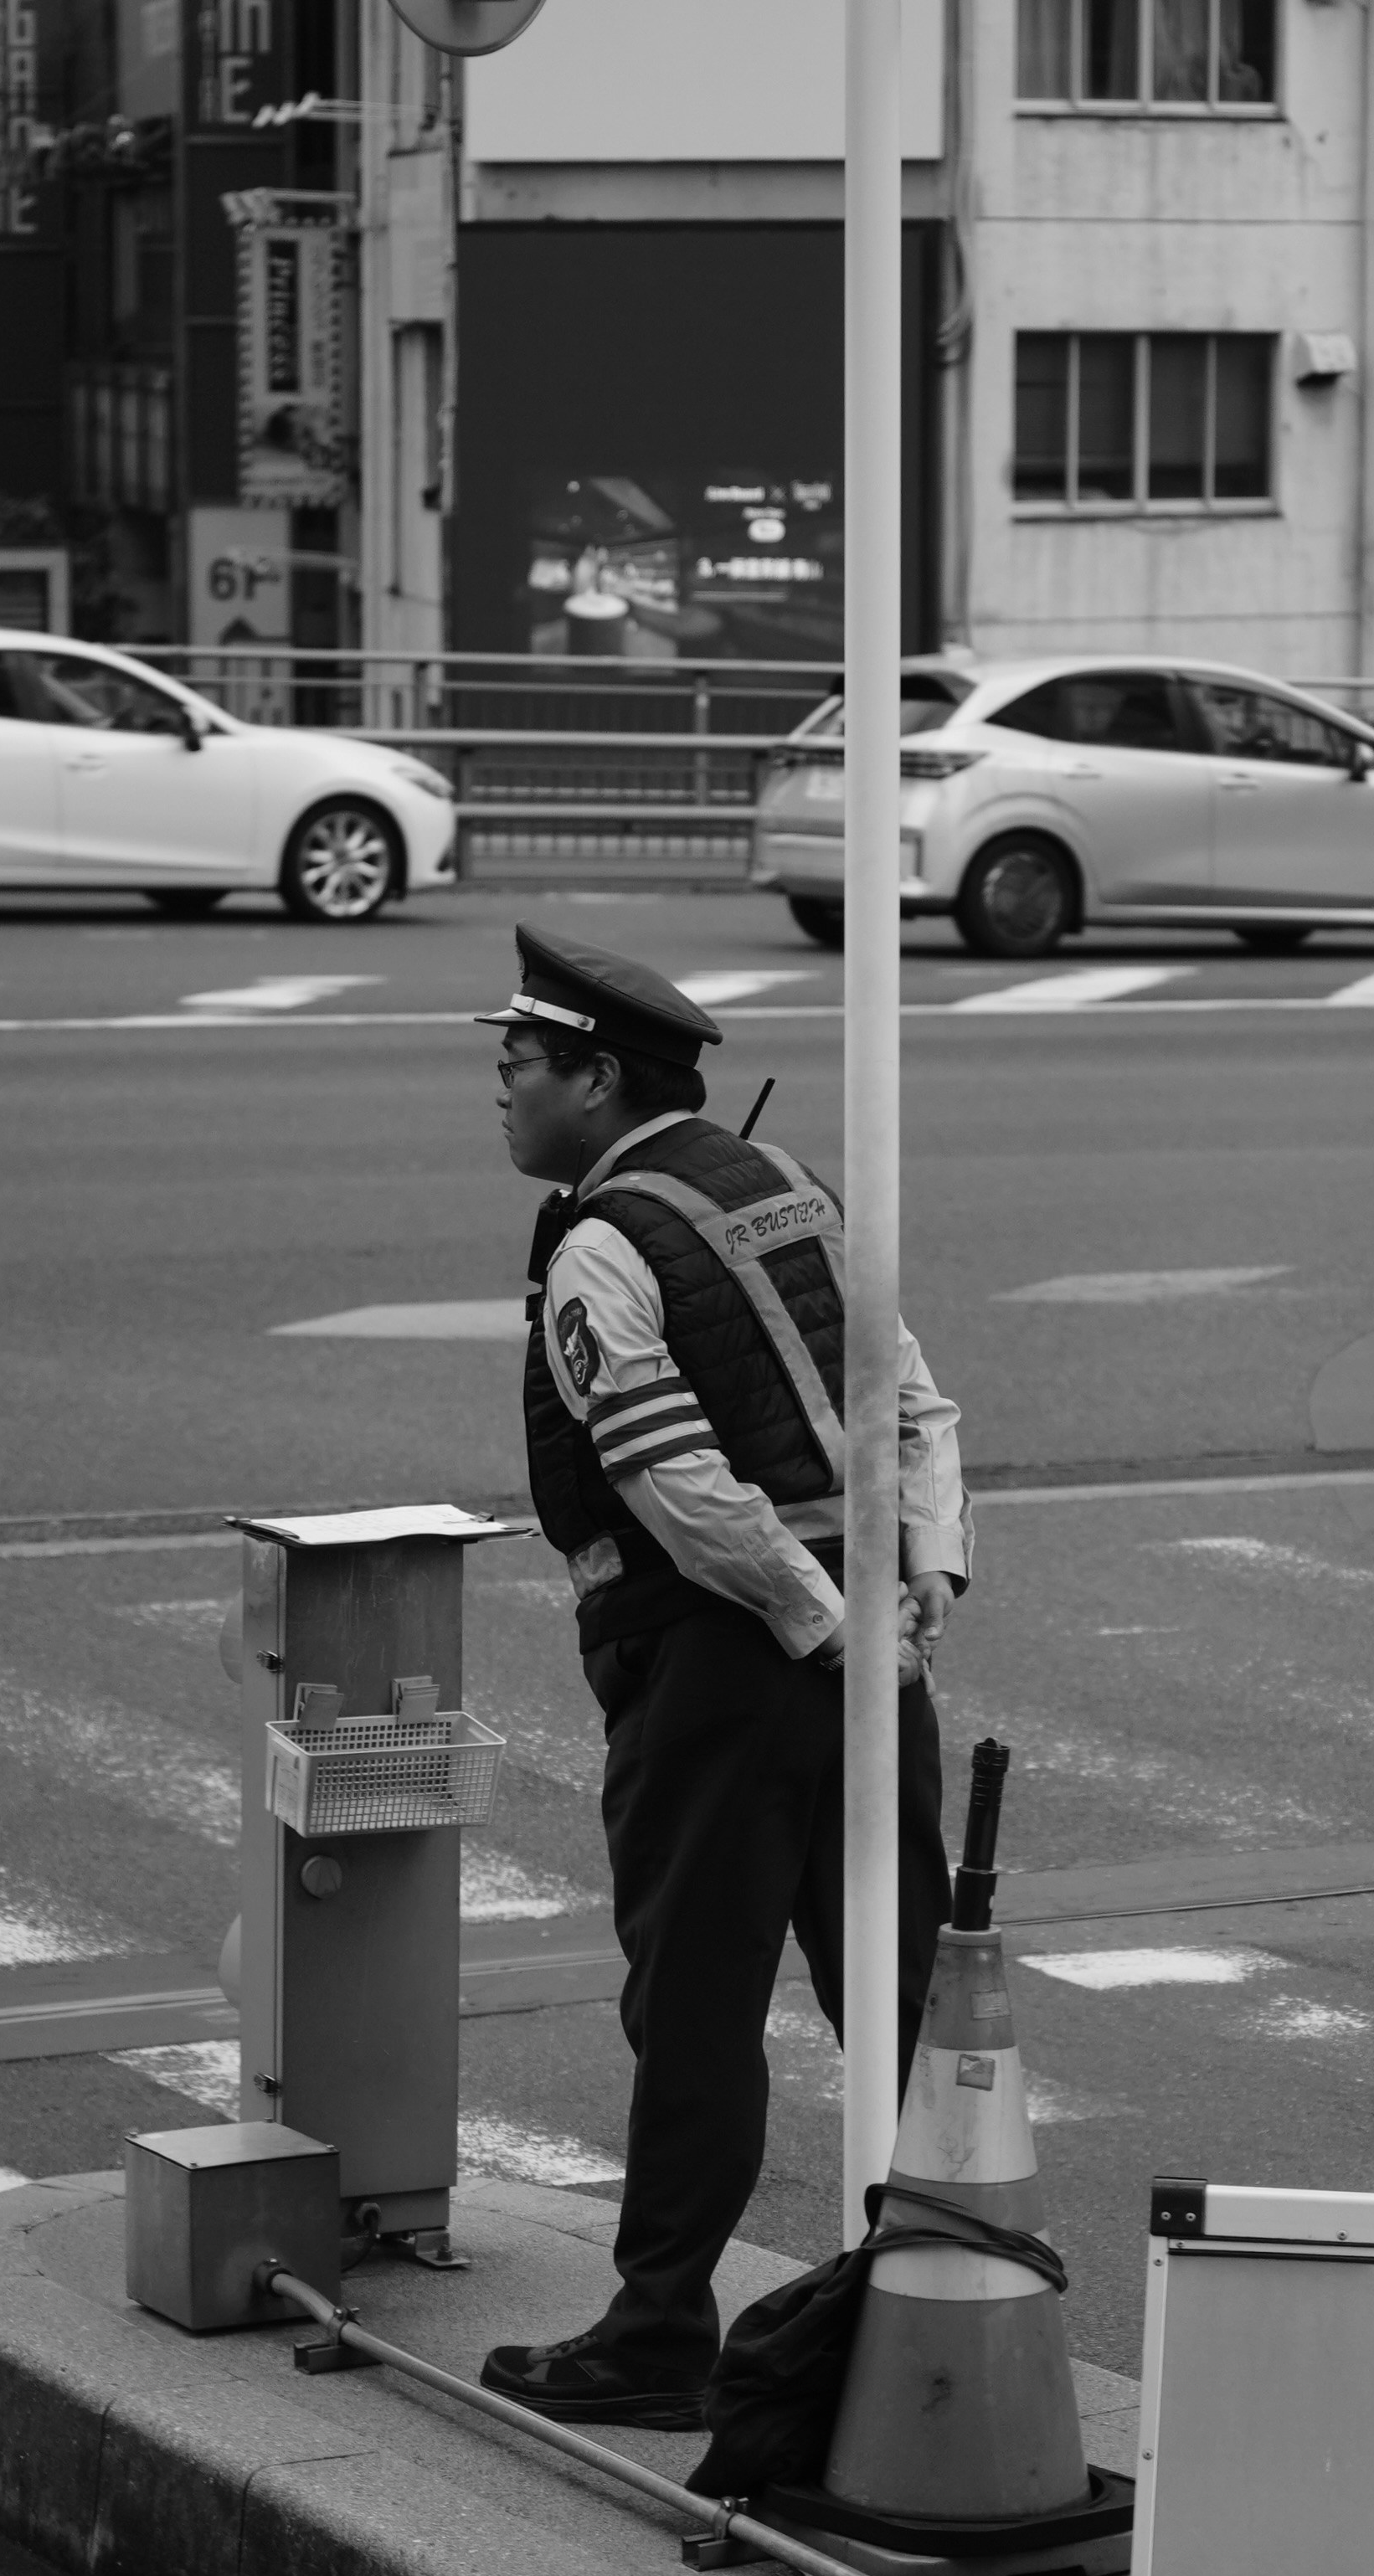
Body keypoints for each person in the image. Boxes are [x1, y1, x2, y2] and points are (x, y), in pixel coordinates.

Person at [475, 925, 973, 2430]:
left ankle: (658, 2330)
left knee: (693, 1999)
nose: (498, 1098)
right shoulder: (792, 1189)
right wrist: (919, 1577)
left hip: (725, 1661)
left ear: (595, 1076)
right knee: (896, 1982)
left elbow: (670, 1476)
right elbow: (915, 1392)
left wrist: (819, 1621)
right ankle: (944, 2293)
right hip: (865, 1645)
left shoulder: (606, 1239)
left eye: (516, 1070)